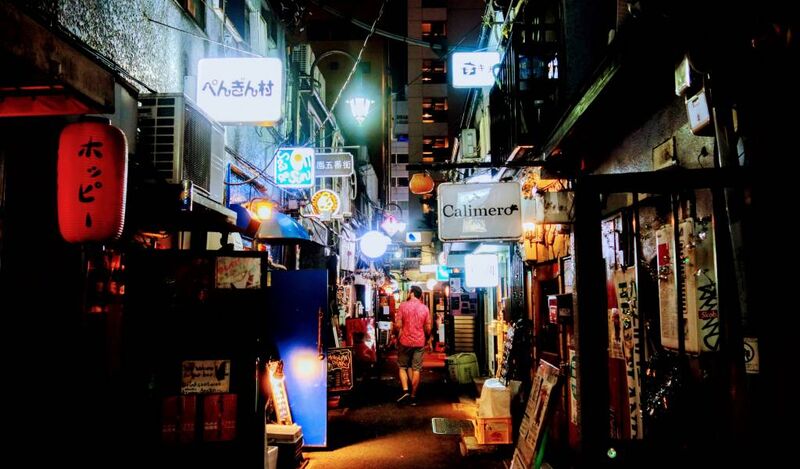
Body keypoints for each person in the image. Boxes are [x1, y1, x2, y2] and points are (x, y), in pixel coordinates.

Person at [394, 285, 432, 406]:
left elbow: (398, 325)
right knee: (416, 369)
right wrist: (428, 338)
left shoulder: (403, 306)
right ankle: (413, 396)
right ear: (420, 295)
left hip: (405, 341)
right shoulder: (425, 308)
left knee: (402, 367)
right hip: (419, 342)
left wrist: (398, 334)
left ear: (411, 293)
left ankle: (405, 391)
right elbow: (428, 327)